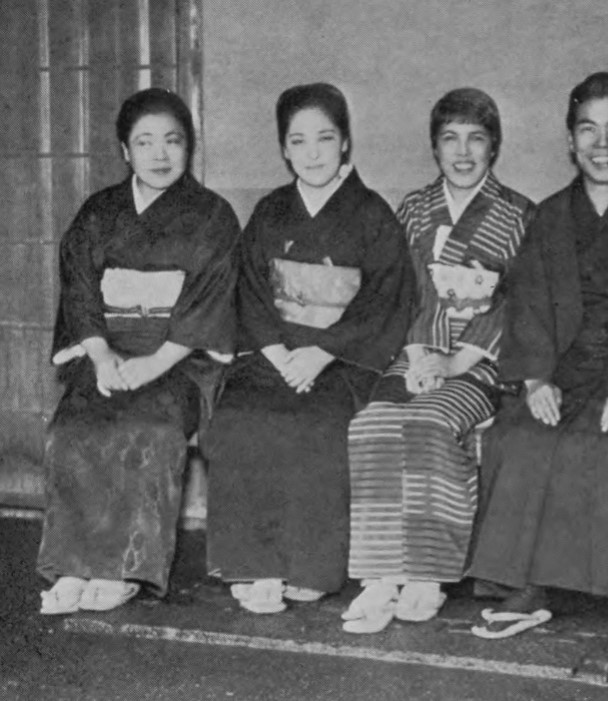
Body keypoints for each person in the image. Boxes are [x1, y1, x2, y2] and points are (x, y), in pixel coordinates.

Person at [466, 72, 608, 657]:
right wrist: (536, 377)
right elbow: (528, 300)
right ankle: (530, 587)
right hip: (563, 369)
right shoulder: (549, 217)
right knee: (524, 437)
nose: (602, 143)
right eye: (587, 129)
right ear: (570, 141)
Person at [203, 83, 415, 614]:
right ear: (284, 149)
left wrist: (323, 351)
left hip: (341, 363)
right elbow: (250, 288)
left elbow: (384, 300)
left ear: (346, 143)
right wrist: (275, 352)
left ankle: (310, 567)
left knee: (317, 426)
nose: (313, 152)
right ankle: (252, 564)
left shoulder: (372, 214)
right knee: (239, 417)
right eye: (298, 141)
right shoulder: (272, 211)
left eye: (325, 137)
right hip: (274, 356)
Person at [37, 88, 241, 614]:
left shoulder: (213, 217)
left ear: (188, 147)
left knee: (148, 432)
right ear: (124, 151)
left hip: (179, 359)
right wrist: (103, 358)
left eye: (172, 141)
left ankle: (126, 567)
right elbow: (81, 288)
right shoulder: (99, 212)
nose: (159, 154)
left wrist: (153, 364)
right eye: (144, 142)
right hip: (110, 353)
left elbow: (208, 304)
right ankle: (74, 566)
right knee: (72, 430)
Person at [341, 88, 533, 634]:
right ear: (435, 146)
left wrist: (455, 363)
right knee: (372, 422)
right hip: (415, 353)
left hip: (481, 364)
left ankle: (429, 574)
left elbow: (518, 304)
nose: (463, 152)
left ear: (494, 146)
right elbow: (399, 292)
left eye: (476, 138)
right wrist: (421, 353)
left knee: (429, 421)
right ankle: (381, 574)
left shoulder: (519, 214)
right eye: (451, 139)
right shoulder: (413, 209)